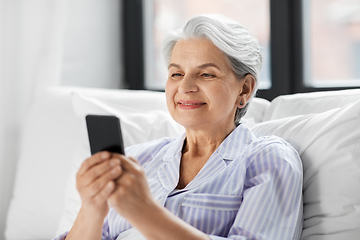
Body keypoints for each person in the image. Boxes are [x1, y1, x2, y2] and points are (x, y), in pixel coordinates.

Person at [54, 14, 303, 240]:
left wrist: (143, 211)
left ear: (245, 89)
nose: (185, 87)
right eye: (176, 74)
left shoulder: (267, 159)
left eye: (206, 74)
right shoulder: (135, 160)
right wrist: (91, 207)